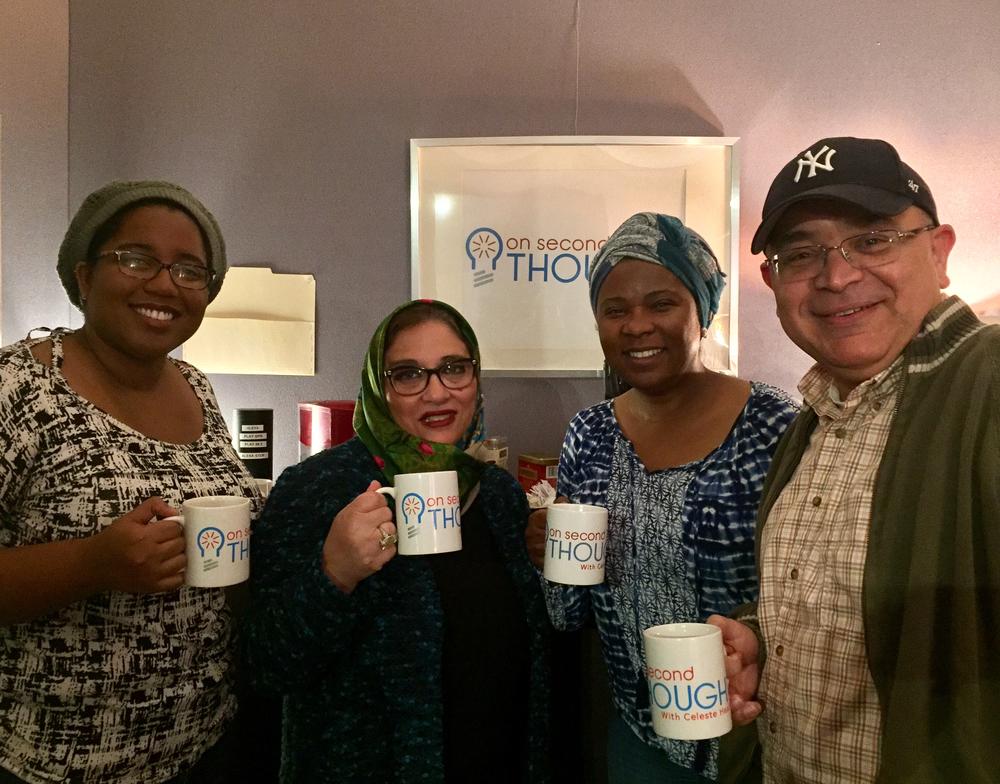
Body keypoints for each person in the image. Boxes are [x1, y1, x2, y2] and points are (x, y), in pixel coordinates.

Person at [710, 136, 1000, 783]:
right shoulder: (811, 423)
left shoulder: (987, 384)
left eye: (872, 240)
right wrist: (762, 639)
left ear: (938, 249)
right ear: (773, 281)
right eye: (802, 253)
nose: (836, 276)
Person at [0, 181, 261, 782]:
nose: (166, 284)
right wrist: (94, 564)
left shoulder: (196, 386)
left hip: (209, 744)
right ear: (85, 275)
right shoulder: (21, 388)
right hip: (62, 763)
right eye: (137, 259)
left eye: (190, 270)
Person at [525, 213, 797, 783]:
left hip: (761, 735)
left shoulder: (773, 426)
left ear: (702, 311)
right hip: (642, 733)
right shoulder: (591, 434)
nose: (636, 326)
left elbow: (808, 589)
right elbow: (570, 612)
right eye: (615, 309)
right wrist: (545, 556)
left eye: (662, 303)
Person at [242, 299, 552, 783]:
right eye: (409, 374)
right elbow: (266, 664)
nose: (436, 392)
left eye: (454, 368)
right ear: (378, 387)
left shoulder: (497, 494)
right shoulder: (316, 487)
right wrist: (335, 573)